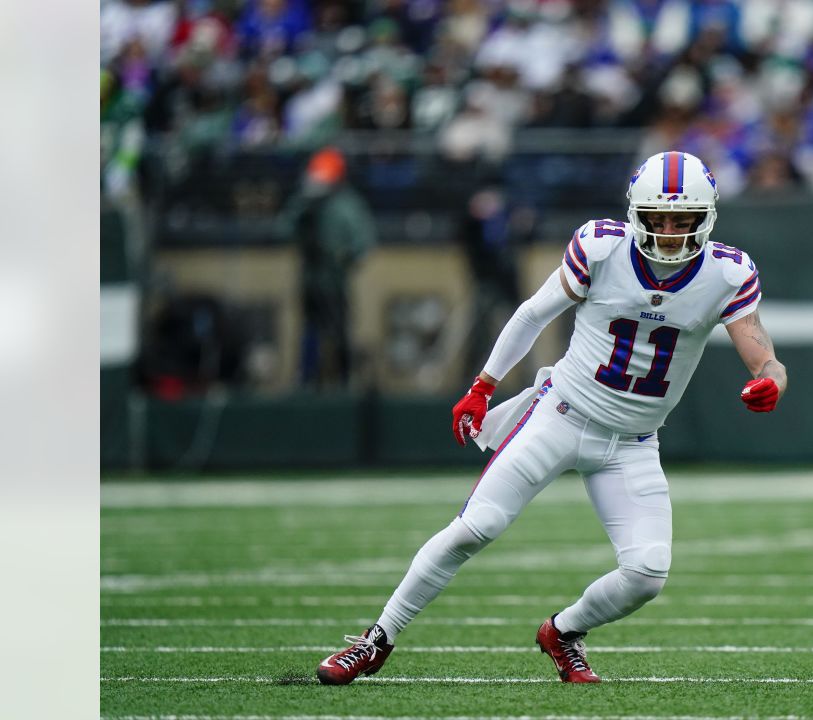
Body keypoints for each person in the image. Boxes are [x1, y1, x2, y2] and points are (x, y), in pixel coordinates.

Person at [316, 151, 787, 684]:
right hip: (561, 415)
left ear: (707, 218)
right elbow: (533, 313)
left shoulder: (727, 272)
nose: (672, 232)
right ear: (638, 214)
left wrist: (771, 379)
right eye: (659, 218)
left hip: (632, 442)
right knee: (477, 526)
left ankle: (563, 632)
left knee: (648, 572)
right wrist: (482, 386)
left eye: (684, 220)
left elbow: (763, 354)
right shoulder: (602, 247)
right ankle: (377, 638)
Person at [276, 147, 375, 389]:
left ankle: (343, 381)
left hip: (334, 277)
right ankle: (307, 379)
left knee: (339, 329)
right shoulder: (305, 200)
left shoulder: (347, 204)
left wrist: (343, 257)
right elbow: (284, 230)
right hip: (310, 274)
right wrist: (304, 211)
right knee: (309, 329)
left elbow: (363, 242)